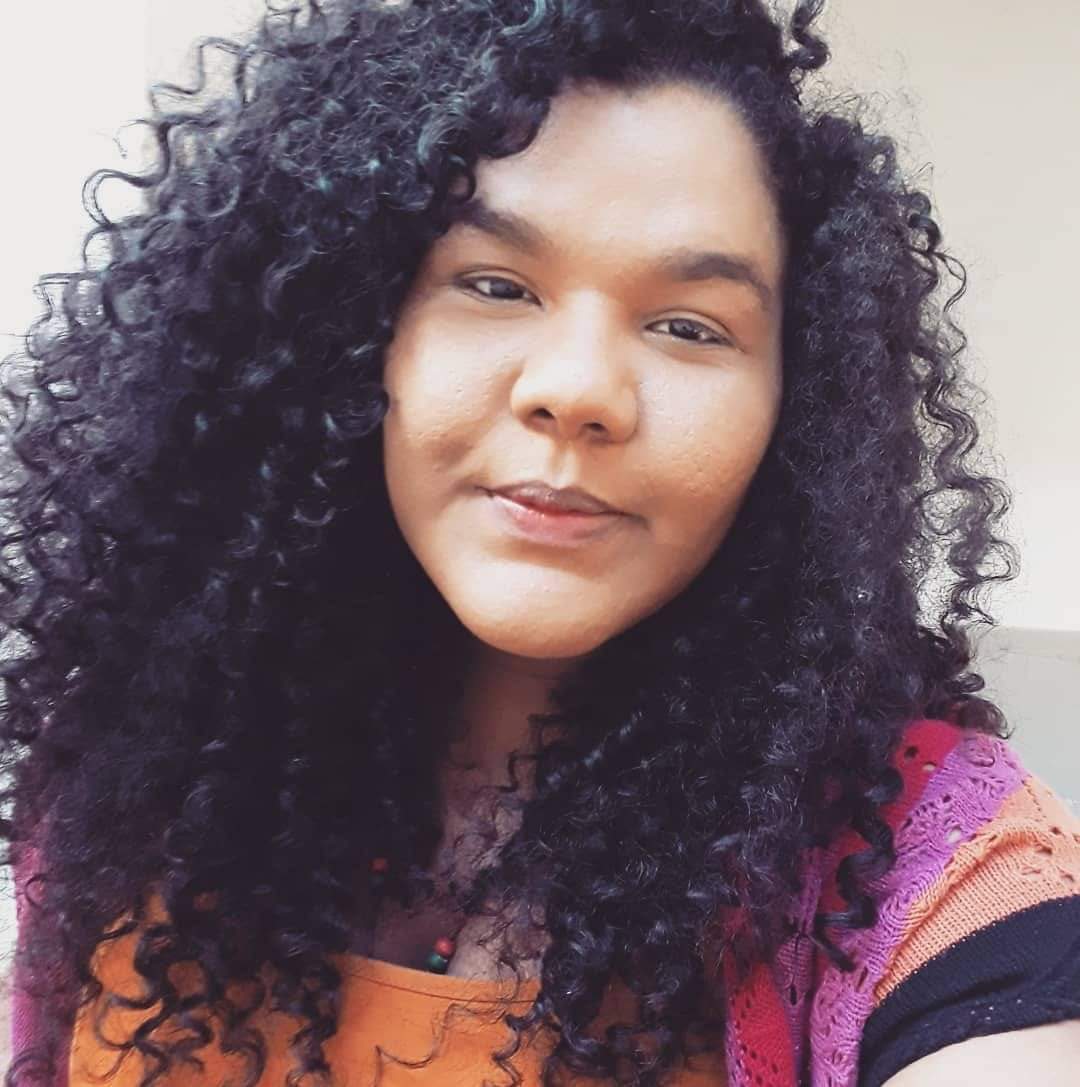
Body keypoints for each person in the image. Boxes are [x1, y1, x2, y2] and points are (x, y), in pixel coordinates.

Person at [2, 0, 1078, 1084]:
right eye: (495, 284)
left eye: (689, 325)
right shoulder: (142, 769)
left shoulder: (929, 868)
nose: (577, 389)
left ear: (796, 408)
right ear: (351, 330)